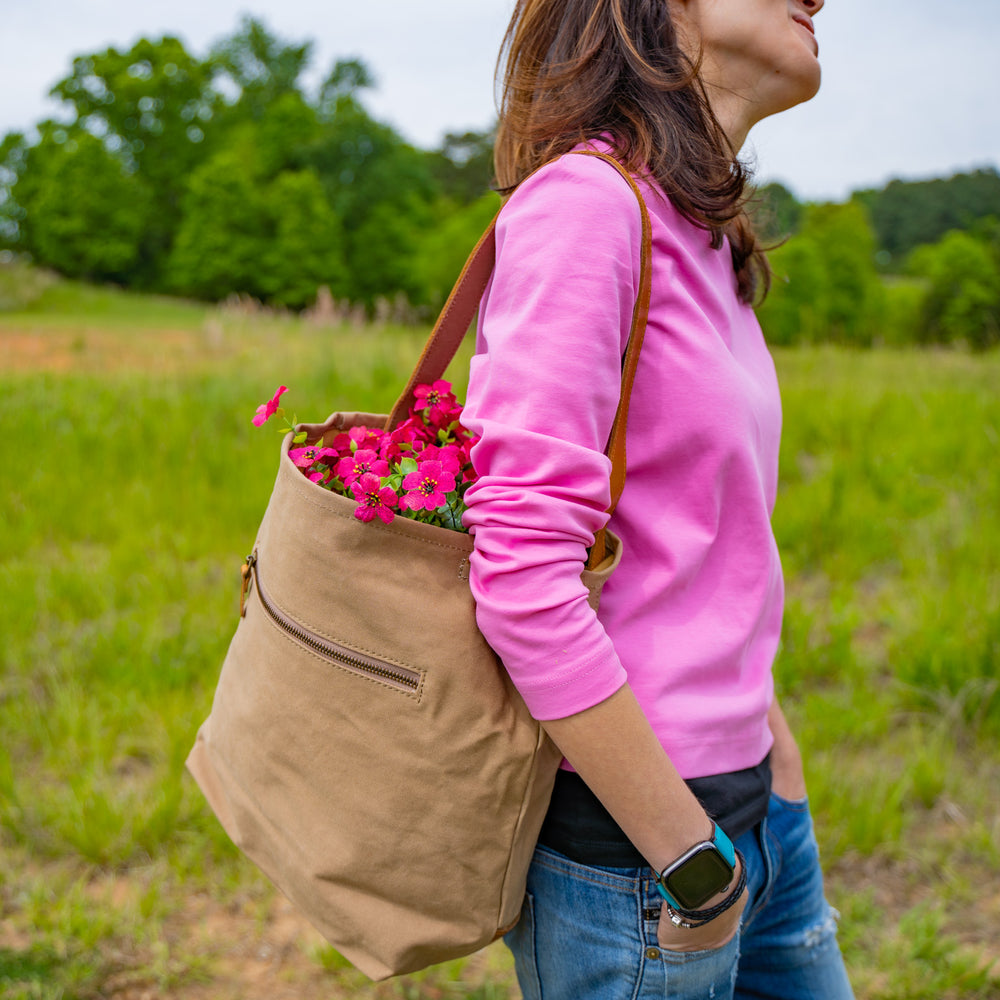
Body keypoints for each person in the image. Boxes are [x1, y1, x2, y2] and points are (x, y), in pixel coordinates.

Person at [459, 1, 855, 998]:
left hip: (761, 822)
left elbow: (710, 549)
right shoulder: (586, 207)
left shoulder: (701, 236)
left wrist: (782, 791)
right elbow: (519, 582)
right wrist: (690, 859)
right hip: (640, 862)